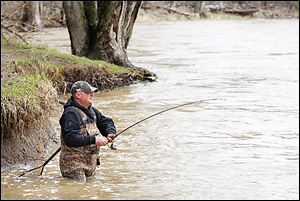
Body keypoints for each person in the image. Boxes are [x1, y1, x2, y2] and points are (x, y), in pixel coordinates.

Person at [59, 80, 116, 182]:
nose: (92, 95)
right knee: (78, 191)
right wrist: (94, 140)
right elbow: (70, 139)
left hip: (90, 164)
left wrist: (110, 132)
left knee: (89, 193)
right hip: (73, 166)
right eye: (89, 92)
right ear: (78, 94)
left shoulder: (92, 111)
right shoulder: (71, 114)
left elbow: (106, 122)